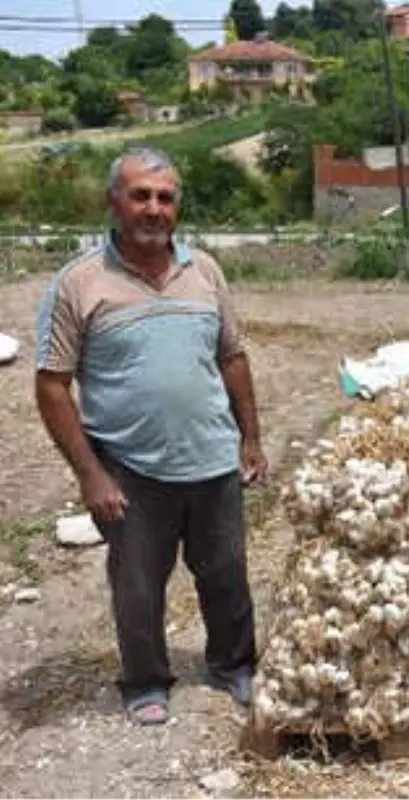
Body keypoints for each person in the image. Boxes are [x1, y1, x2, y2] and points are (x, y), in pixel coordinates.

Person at [33, 147, 268, 726]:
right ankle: (144, 681)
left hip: (212, 457)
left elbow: (232, 357)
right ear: (115, 202)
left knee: (226, 574)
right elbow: (52, 386)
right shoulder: (80, 283)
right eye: (140, 195)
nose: (154, 208)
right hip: (131, 466)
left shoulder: (204, 270)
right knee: (138, 584)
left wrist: (251, 439)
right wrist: (90, 474)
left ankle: (234, 665)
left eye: (165, 197)